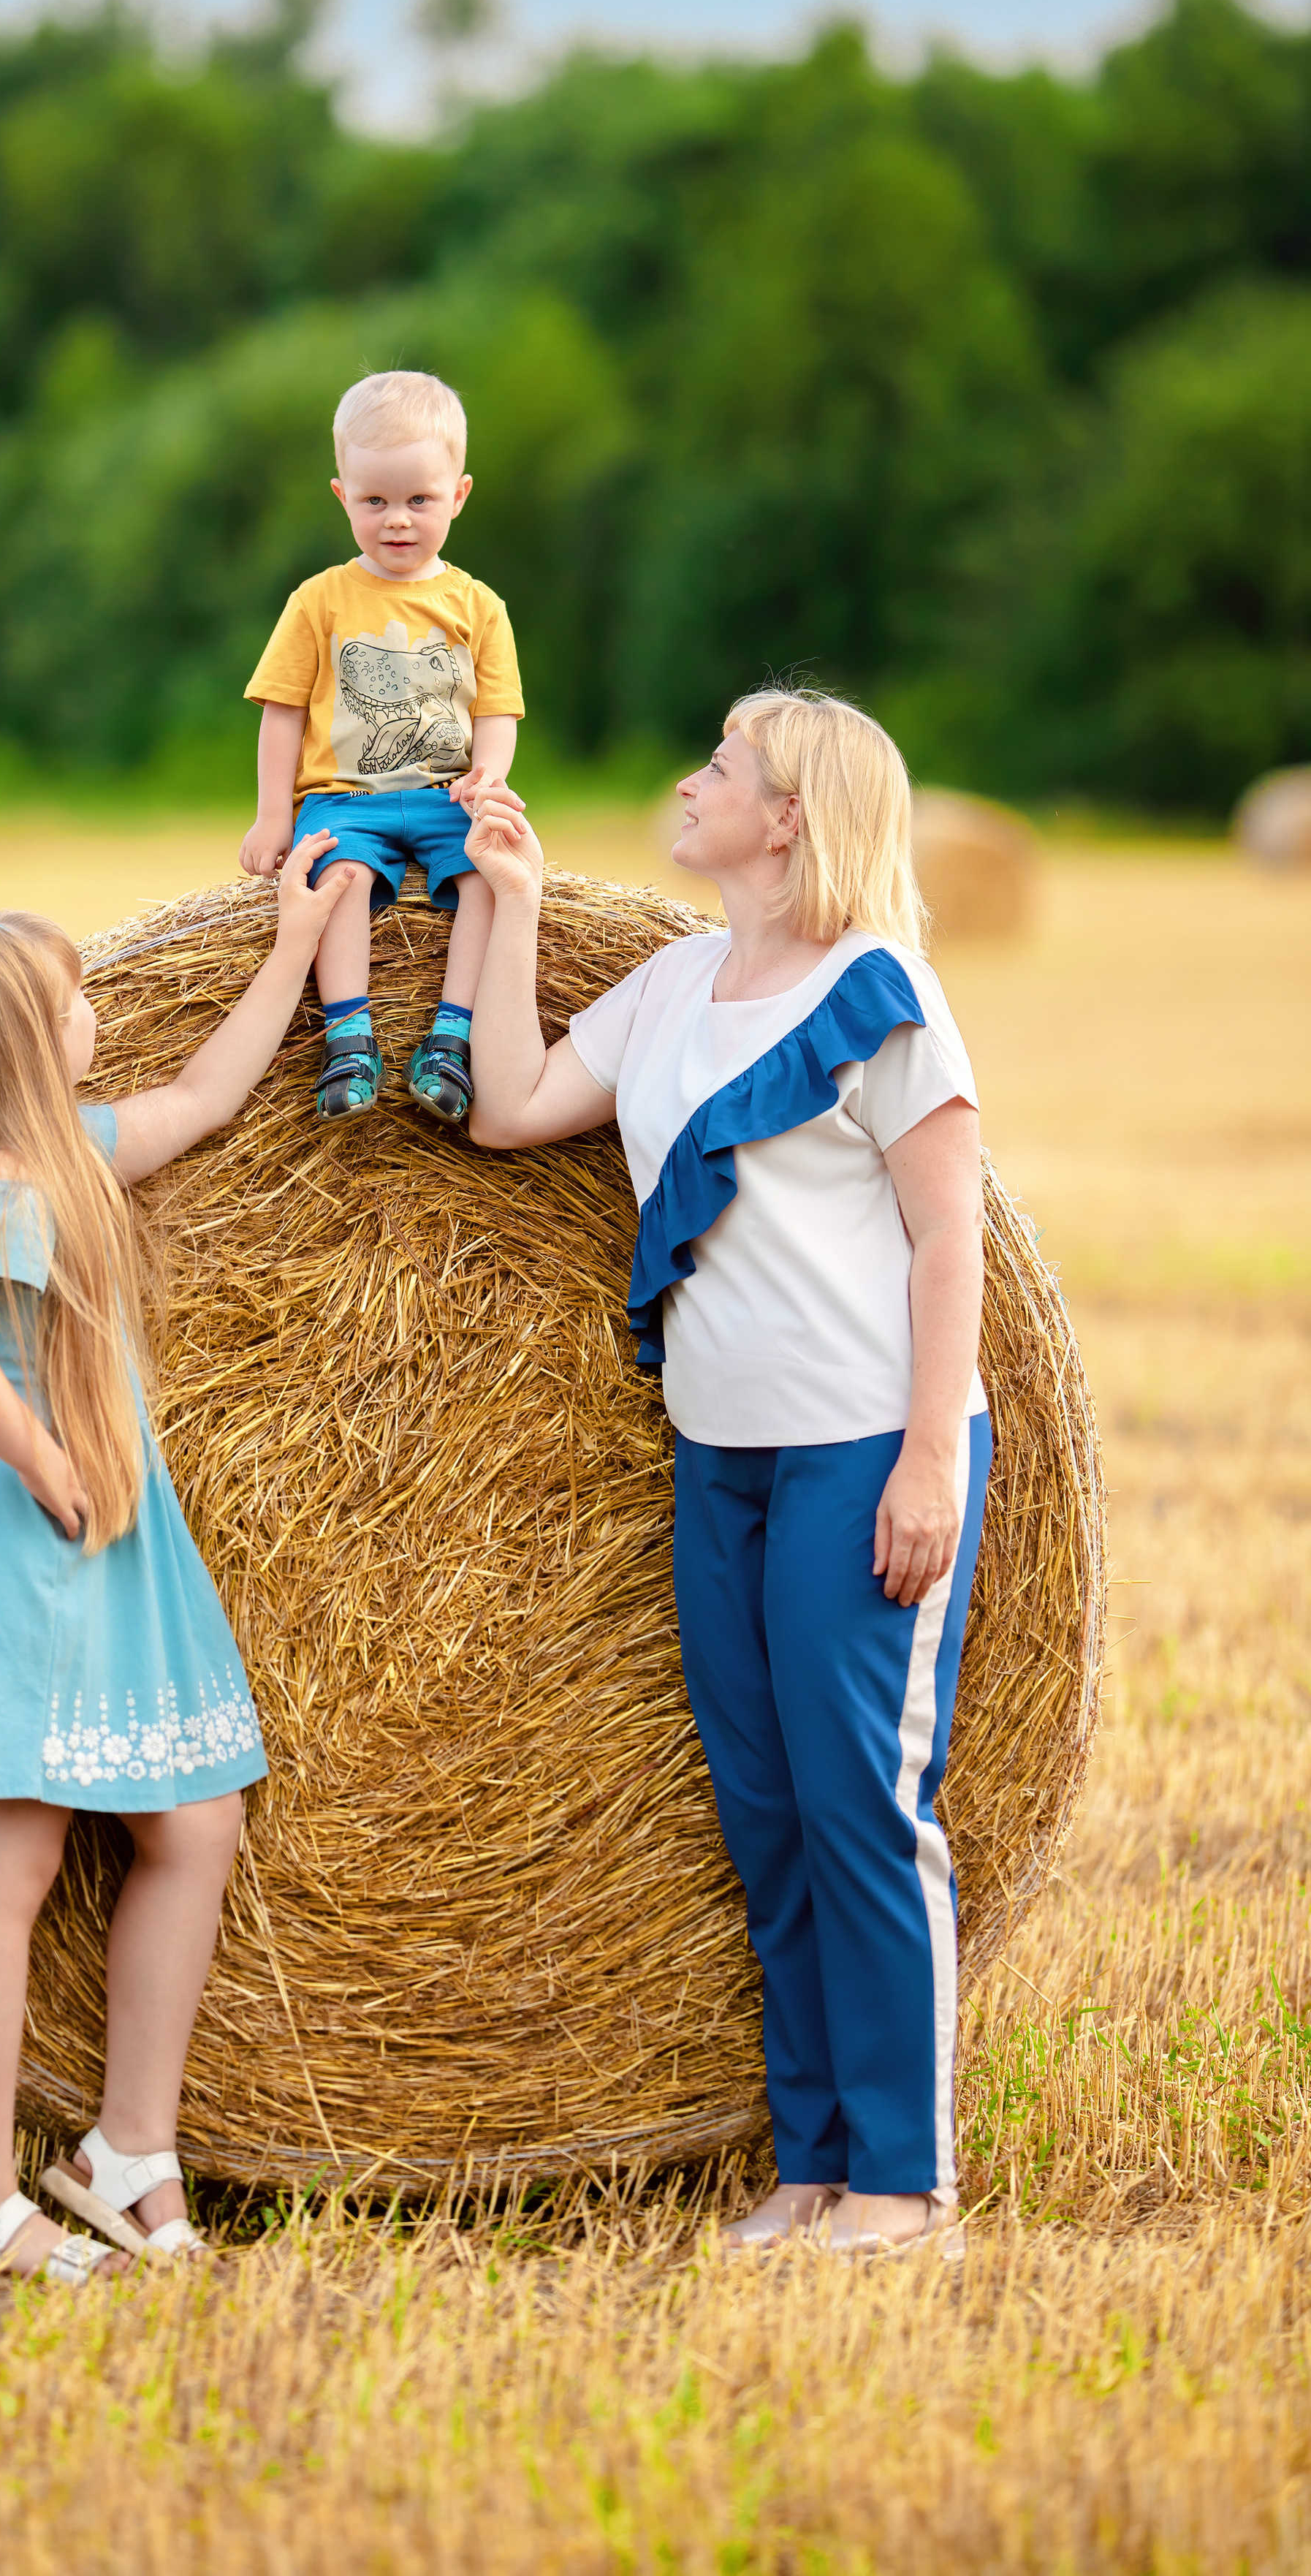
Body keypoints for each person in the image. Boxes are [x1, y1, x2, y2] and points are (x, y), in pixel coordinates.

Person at [464, 690, 990, 2259]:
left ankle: (905, 2185)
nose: (687, 783)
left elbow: (948, 1234)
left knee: (860, 1810)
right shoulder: (674, 983)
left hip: (858, 1452)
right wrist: (511, 909)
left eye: (721, 768)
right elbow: (508, 1110)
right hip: (723, 1458)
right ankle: (810, 2165)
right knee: (763, 1813)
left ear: (788, 820)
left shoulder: (880, 992)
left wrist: (921, 1466)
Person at [0, 838, 350, 2286]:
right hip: (19, 1553)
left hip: (100, 1557)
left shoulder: (65, 1154)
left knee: (193, 1825)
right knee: (4, 1872)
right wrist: (40, 1451)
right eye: (73, 1003)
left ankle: (125, 2147)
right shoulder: (1, 1181)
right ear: (26, 1037)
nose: (95, 1017)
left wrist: (295, 946)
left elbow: (204, 1096)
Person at [238, 367, 526, 1131]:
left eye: (418, 501)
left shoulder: (477, 606)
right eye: (375, 502)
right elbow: (280, 714)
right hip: (343, 800)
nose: (396, 520)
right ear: (342, 496)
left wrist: (487, 778)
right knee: (336, 876)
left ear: (457, 496)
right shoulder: (320, 600)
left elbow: (498, 712)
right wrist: (274, 815)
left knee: (492, 883)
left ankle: (452, 1035)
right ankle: (349, 1036)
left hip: (444, 796)